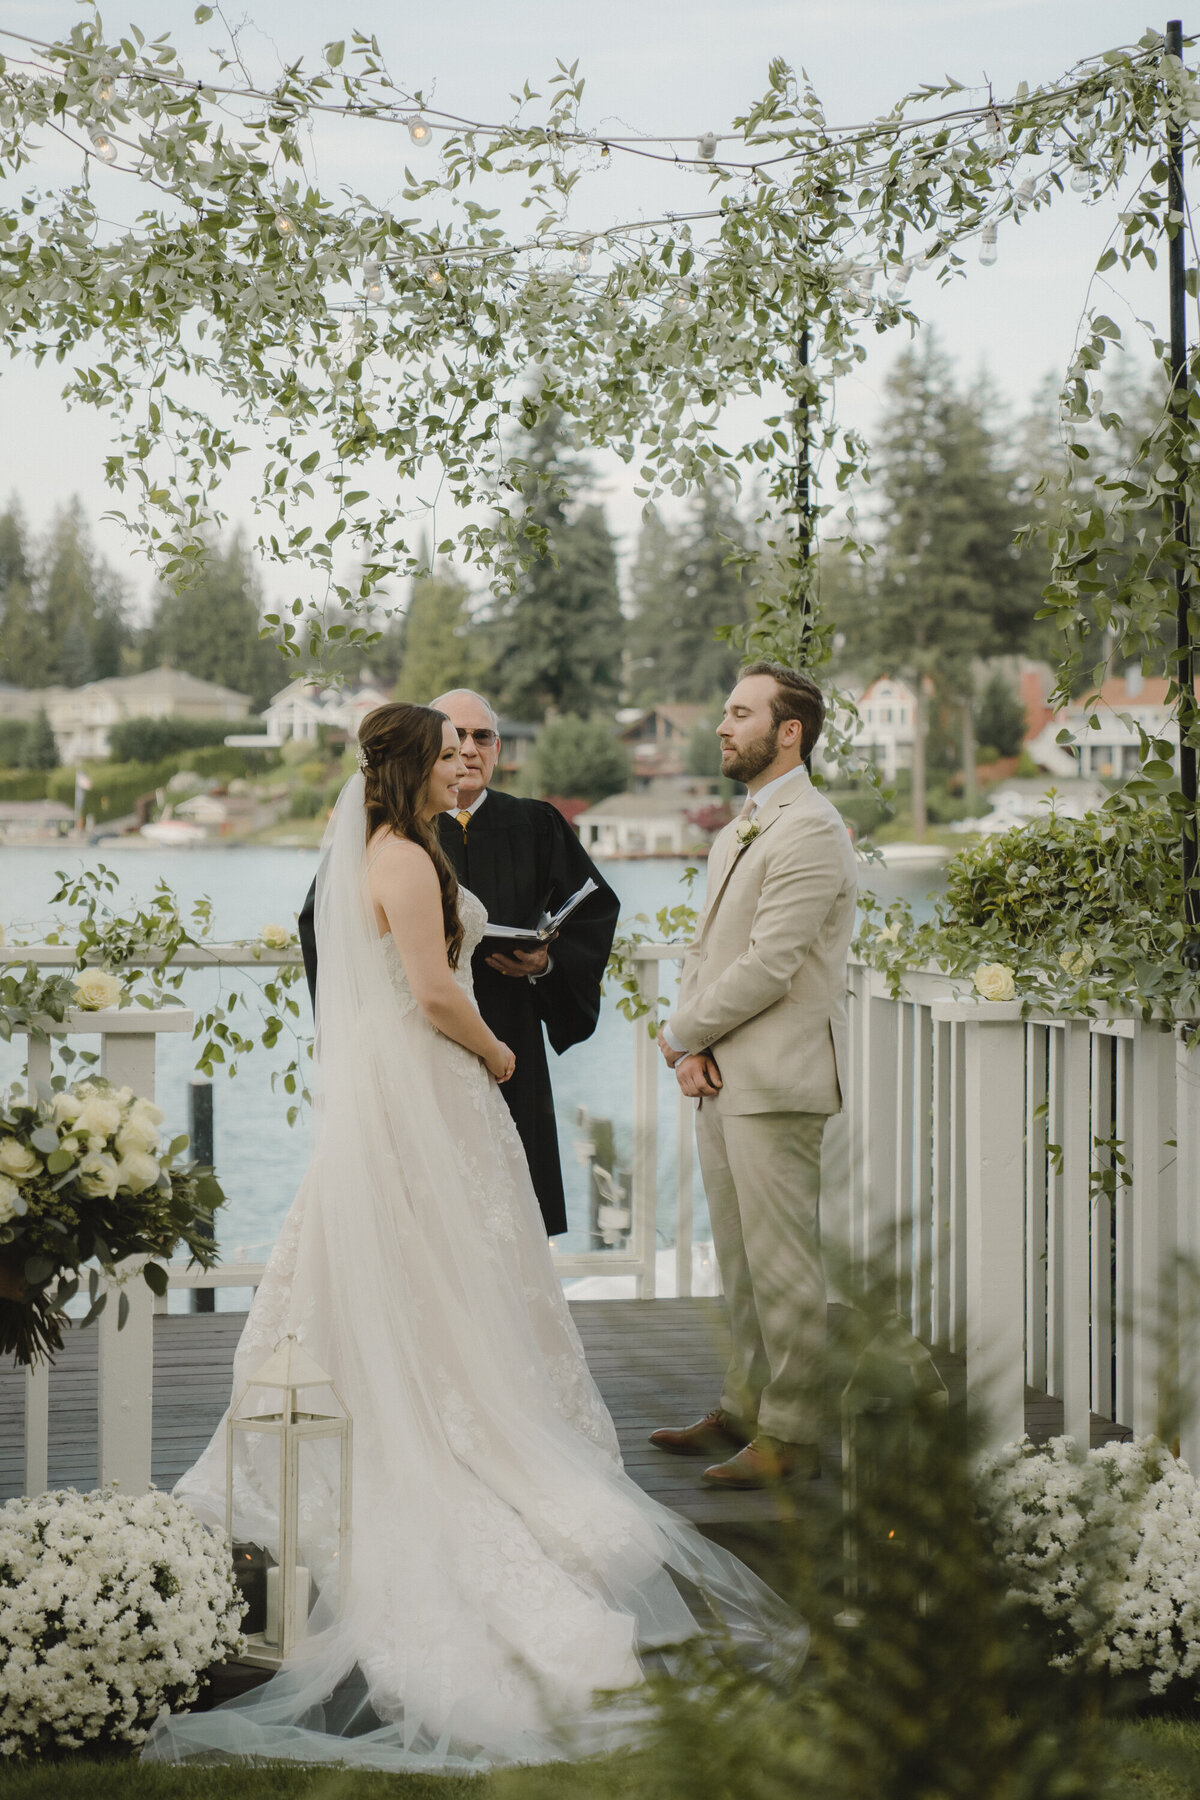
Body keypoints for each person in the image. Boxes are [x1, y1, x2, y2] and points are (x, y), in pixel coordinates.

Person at [144, 702, 798, 1774]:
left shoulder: (400, 845)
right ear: (409, 766)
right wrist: (498, 1053)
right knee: (434, 1267)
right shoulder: (402, 860)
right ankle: (436, 1427)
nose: (464, 766)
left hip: (407, 1089)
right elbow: (437, 988)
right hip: (432, 1084)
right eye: (447, 753)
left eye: (470, 750)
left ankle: (426, 1393)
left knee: (431, 1272)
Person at [298, 688, 618, 1238]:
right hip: (422, 1036)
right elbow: (322, 926)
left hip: (511, 1019)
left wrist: (544, 962)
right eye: (454, 741)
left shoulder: (536, 823)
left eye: (482, 738)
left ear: (497, 749)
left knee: (504, 1211)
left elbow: (592, 911)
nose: (468, 752)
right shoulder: (396, 837)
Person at [650, 664, 857, 1491]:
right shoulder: (740, 828)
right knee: (736, 1259)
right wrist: (695, 1048)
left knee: (782, 1265)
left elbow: (772, 964)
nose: (723, 726)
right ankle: (744, 1408)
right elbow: (712, 956)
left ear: (790, 731)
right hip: (724, 1074)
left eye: (740, 713)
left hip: (779, 1080)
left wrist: (676, 1034)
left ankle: (795, 1436)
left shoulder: (811, 829)